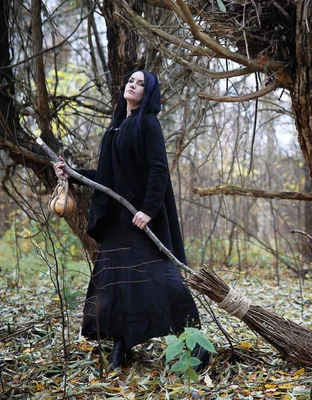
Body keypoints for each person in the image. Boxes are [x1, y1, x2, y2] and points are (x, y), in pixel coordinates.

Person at [54, 69, 208, 370]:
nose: (133, 85)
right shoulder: (116, 128)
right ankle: (122, 347)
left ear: (148, 93)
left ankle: (195, 343)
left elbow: (158, 170)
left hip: (141, 220)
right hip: (117, 222)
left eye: (140, 83)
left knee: (158, 279)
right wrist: (73, 174)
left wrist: (148, 210)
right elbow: (107, 179)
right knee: (116, 284)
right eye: (130, 81)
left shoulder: (148, 123)